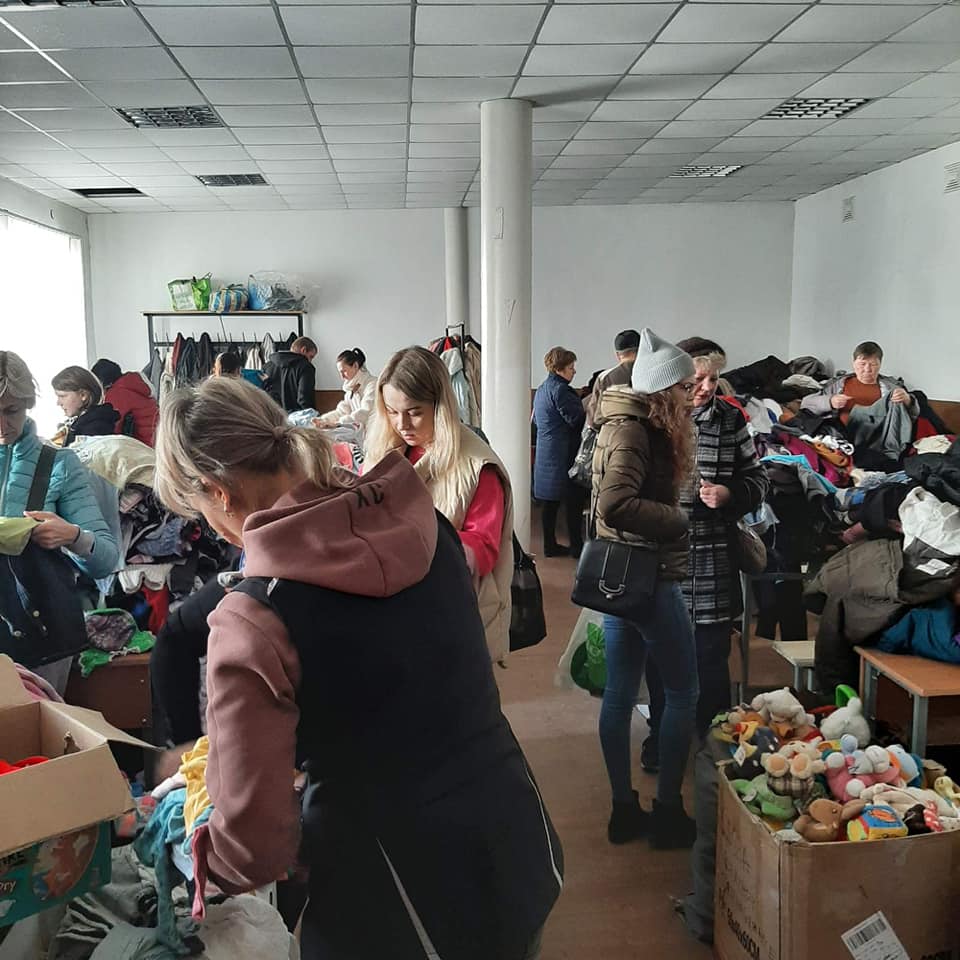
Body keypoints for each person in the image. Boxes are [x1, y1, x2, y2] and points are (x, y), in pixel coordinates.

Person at [153, 378, 562, 960]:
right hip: (516, 842)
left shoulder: (254, 617)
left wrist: (189, 846)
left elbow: (253, 848)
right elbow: (412, 686)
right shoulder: (425, 522)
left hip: (397, 904)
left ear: (218, 492)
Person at [592, 329, 699, 849]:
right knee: (683, 692)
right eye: (684, 387)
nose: (691, 395)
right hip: (649, 577)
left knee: (618, 693)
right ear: (663, 391)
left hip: (621, 578)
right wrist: (677, 521)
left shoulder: (623, 423)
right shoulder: (636, 433)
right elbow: (614, 503)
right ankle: (669, 812)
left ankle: (623, 810)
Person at [641, 340, 768, 774]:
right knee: (661, 655)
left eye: (714, 378)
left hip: (713, 557)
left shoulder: (730, 420)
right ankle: (661, 736)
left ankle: (714, 742)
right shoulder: (655, 419)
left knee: (711, 657)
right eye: (697, 379)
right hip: (663, 557)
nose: (706, 387)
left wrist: (730, 494)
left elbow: (758, 480)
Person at [365, 346, 514, 663]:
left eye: (414, 411)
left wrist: (406, 541)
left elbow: (484, 549)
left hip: (451, 613)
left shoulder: (478, 467)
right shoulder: (386, 450)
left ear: (440, 405)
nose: (402, 424)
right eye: (391, 411)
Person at [0, 351, 119, 692]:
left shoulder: (58, 464)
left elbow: (107, 558)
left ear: (28, 404)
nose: (2, 425)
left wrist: (73, 536)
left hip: (43, 637)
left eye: (11, 411)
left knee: (39, 723)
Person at [532, 347, 586, 558]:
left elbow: (537, 421)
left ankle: (550, 545)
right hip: (563, 454)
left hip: (546, 451)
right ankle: (577, 547)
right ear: (560, 369)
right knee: (573, 502)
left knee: (550, 504)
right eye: (571, 368)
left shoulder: (542, 389)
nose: (574, 371)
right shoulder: (562, 391)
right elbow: (576, 419)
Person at [801, 341, 917, 423]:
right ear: (853, 364)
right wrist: (829, 402)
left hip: (880, 442)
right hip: (840, 439)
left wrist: (908, 401)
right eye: (862, 364)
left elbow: (912, 417)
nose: (867, 369)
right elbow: (805, 404)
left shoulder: (892, 388)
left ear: (880, 365)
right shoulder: (838, 384)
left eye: (873, 364)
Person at [91, 358, 159, 447]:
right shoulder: (132, 383)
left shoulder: (116, 393)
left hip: (146, 444)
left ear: (104, 382)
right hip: (158, 436)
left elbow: (112, 428)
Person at [585, 329, 640, 428]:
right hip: (646, 433)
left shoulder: (604, 377)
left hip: (611, 432)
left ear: (618, 355)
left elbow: (592, 418)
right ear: (640, 350)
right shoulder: (650, 372)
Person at [51, 366, 118, 447]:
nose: (58, 403)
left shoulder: (94, 430)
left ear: (83, 395)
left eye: (62, 396)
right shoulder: (83, 423)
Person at [314, 348, 377, 432]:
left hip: (374, 433)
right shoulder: (350, 390)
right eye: (340, 372)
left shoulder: (372, 384)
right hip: (360, 432)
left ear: (355, 365)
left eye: (344, 371)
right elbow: (342, 412)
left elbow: (365, 412)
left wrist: (339, 423)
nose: (342, 376)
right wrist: (324, 420)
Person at [262, 336, 317, 413]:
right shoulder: (306, 367)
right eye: (311, 356)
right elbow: (304, 399)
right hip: (297, 417)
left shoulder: (267, 366)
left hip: (273, 415)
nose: (310, 360)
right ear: (303, 350)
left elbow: (265, 395)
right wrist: (312, 415)